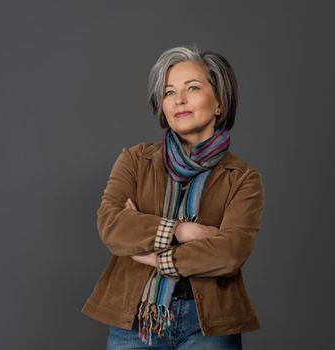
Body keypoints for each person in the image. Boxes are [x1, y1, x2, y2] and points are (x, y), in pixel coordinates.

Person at [81, 45, 265, 349]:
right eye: (168, 92)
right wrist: (181, 230)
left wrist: (156, 256)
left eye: (192, 88)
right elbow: (111, 226)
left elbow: (230, 252)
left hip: (209, 325)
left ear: (219, 102)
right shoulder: (135, 160)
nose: (178, 100)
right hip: (136, 320)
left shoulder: (243, 178)